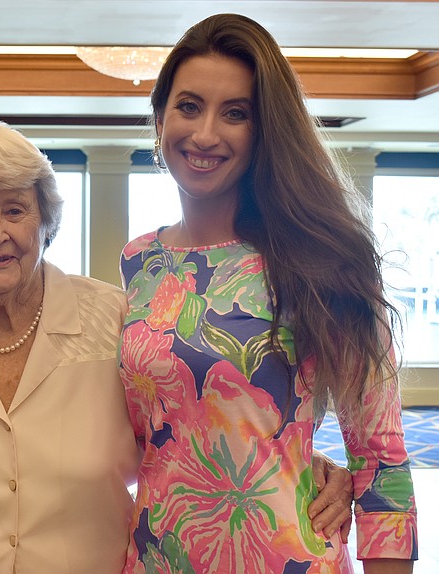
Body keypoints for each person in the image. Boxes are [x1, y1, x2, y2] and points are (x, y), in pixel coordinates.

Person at [0, 121, 354, 574]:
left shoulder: (115, 320)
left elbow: (189, 422)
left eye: (15, 210)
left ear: (46, 221)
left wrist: (306, 461)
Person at [119, 13, 418, 574]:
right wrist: (294, 451)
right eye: (188, 106)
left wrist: (299, 454)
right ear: (160, 116)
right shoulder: (139, 262)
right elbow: (156, 428)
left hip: (289, 559)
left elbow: (382, 463)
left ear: (264, 132)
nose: (205, 133)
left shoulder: (325, 261)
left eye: (236, 113)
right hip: (158, 558)